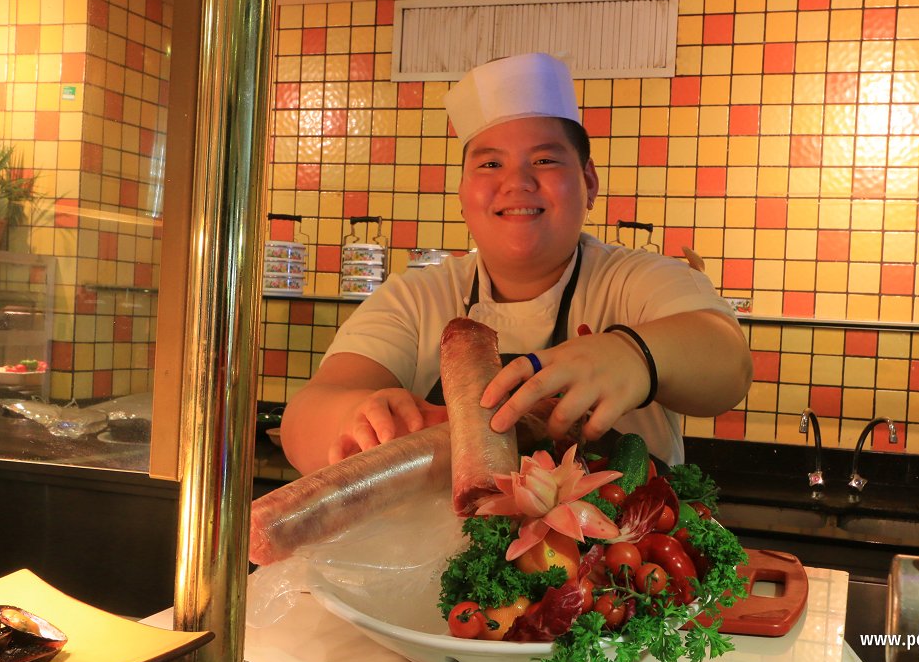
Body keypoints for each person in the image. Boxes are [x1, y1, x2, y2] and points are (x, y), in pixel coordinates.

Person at [281, 53, 752, 476]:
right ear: (464, 195)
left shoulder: (636, 281)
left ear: (588, 182)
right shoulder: (417, 298)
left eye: (545, 160)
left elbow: (728, 365)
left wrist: (635, 355)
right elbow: (305, 416)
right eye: (489, 165)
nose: (517, 182)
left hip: (619, 565)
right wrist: (357, 419)